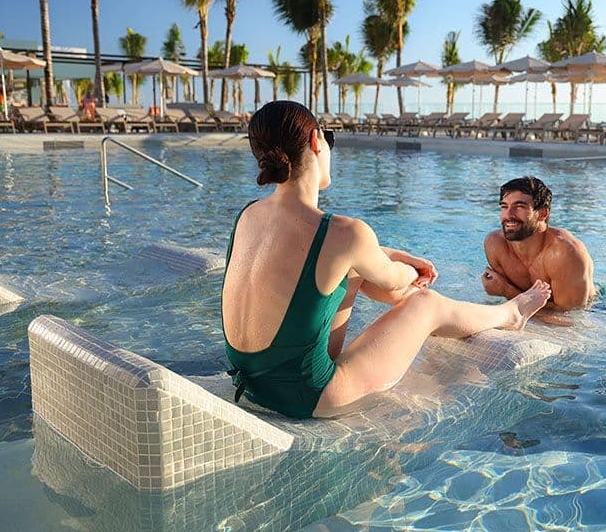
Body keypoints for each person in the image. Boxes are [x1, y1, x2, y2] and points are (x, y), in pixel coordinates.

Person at [221, 101, 551, 419]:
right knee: (426, 303)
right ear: (315, 141)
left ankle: (455, 316)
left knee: (352, 271)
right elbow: (396, 284)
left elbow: (330, 261)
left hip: (251, 385)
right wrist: (413, 270)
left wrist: (384, 255)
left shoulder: (247, 216)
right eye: (328, 138)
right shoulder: (344, 233)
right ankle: (511, 313)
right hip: (306, 395)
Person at [482, 176, 595, 316]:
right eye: (504, 207)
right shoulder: (496, 245)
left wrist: (506, 290)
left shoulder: (565, 252)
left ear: (542, 213)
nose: (508, 215)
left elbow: (569, 317)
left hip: (597, 310)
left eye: (519, 206)